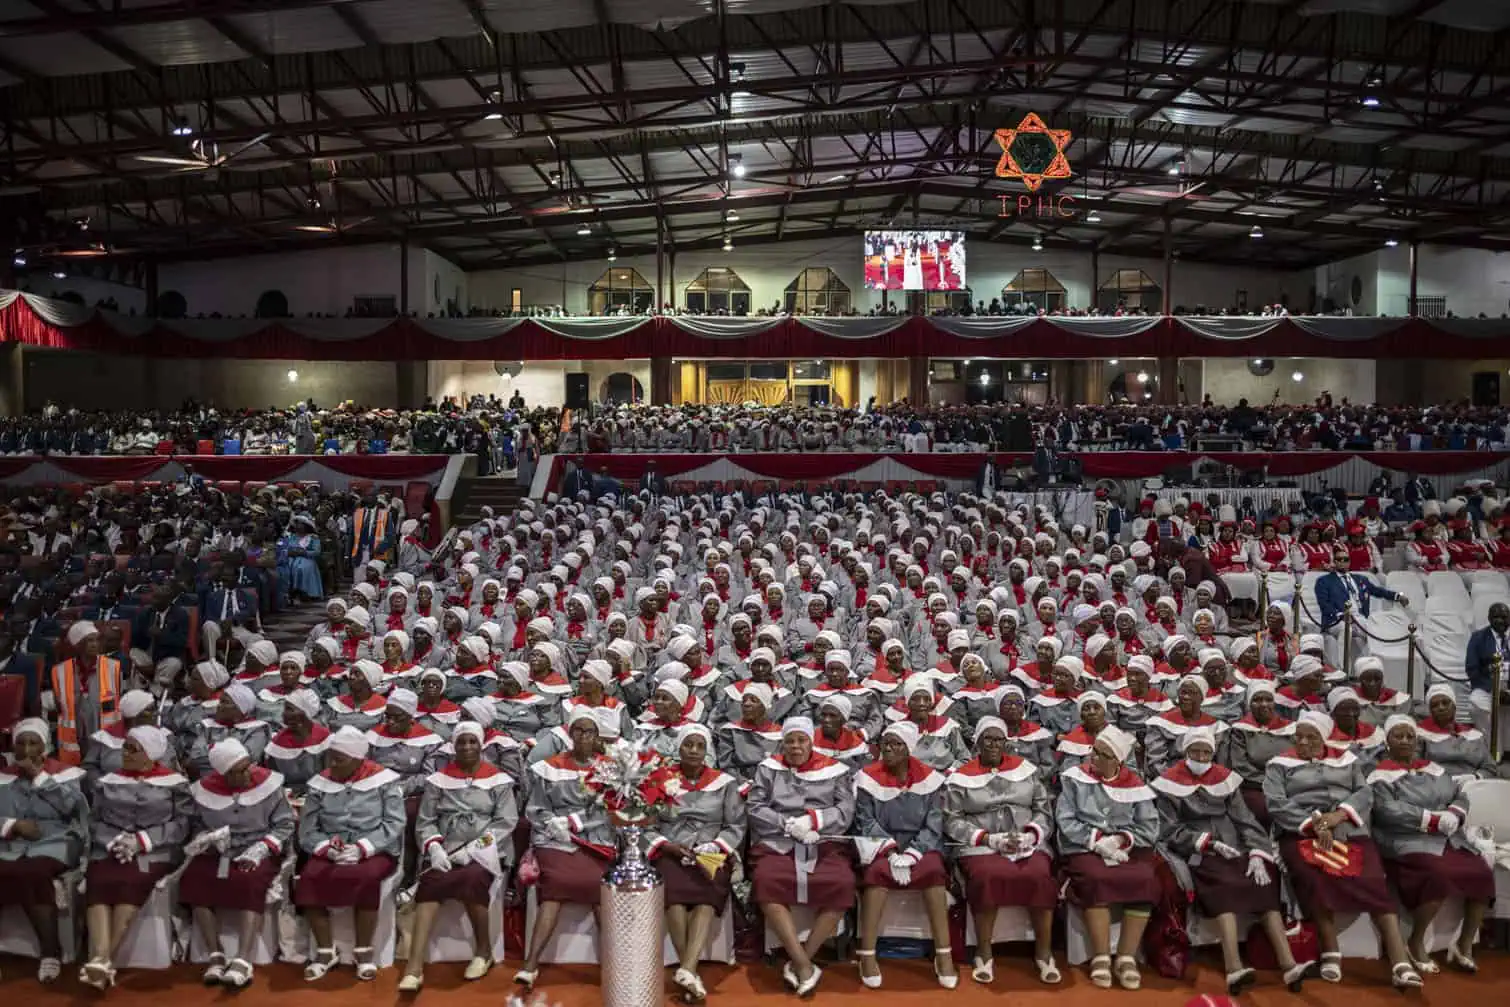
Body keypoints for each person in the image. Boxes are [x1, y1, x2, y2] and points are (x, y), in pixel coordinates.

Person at [1261, 711, 1421, 988]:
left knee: (1374, 881)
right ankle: (1330, 952)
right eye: (1299, 736)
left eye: (1311, 737)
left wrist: (1338, 816)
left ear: (1324, 739)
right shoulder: (1278, 765)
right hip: (1300, 831)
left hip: (1348, 829)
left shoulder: (1347, 760)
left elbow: (1363, 793)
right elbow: (1276, 803)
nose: (1303, 742)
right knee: (1314, 877)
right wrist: (1314, 824)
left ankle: (1399, 962)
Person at [1152, 726, 1311, 994]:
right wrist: (1206, 842)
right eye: (1195, 752)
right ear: (1185, 751)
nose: (1201, 757)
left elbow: (1244, 819)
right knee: (1224, 883)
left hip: (1233, 845)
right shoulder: (1169, 782)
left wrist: (1258, 852)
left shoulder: (1225, 779)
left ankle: (1288, 965)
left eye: (1206, 752)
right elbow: (1169, 830)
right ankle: (1233, 967)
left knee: (1263, 880)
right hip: (1199, 851)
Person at [1367, 716, 1494, 974]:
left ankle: (1464, 944)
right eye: (1398, 736)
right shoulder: (1379, 775)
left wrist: (1455, 814)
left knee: (1481, 871)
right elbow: (1386, 810)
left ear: (1417, 740)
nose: (1405, 741)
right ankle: (1415, 941)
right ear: (1387, 741)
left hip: (1445, 837)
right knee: (1437, 874)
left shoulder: (1434, 768)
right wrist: (1433, 819)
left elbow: (1460, 795)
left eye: (1409, 736)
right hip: (1403, 838)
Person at [400, 720, 518, 991]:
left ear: (481, 746)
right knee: (430, 884)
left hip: (486, 851)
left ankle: (483, 951)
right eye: (461, 742)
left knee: (472, 880)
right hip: (446, 849)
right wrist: (433, 846)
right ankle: (414, 967)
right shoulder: (438, 780)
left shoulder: (498, 780)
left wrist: (475, 848)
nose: (466, 747)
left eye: (472, 741)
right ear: (453, 746)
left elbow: (505, 822)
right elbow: (426, 820)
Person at [943, 715, 1058, 985]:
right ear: (978, 742)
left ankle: (1044, 951)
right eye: (988, 739)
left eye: (998, 739)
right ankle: (984, 951)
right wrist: (987, 839)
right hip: (981, 846)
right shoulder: (961, 777)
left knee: (1040, 876)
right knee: (987, 877)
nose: (993, 744)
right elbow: (951, 819)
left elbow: (1043, 810)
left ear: (1006, 743)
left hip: (1025, 843)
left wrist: (1031, 835)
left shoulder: (1027, 770)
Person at [746, 716, 855, 997]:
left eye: (801, 740)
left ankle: (802, 958)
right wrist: (785, 823)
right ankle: (804, 965)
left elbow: (845, 811)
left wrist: (814, 820)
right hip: (778, 840)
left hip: (821, 840)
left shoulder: (835, 771)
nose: (795, 746)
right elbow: (755, 807)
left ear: (811, 742)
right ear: (783, 742)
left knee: (842, 883)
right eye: (790, 741)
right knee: (766, 880)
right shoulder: (768, 769)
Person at [81, 725, 190, 990]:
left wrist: (143, 841)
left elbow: (183, 824)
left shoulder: (175, 783)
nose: (125, 752)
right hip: (112, 848)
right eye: (125, 747)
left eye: (132, 748)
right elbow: (94, 820)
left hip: (156, 850)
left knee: (130, 880)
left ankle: (107, 958)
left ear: (150, 753)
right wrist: (115, 841)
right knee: (99, 879)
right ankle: (100, 959)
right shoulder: (108, 781)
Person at [295, 725, 407, 983]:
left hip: (375, 849)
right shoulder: (320, 784)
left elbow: (394, 823)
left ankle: (363, 951)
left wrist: (362, 848)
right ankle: (325, 951)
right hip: (332, 848)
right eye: (330, 757)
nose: (333, 763)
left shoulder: (384, 780)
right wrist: (326, 850)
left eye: (340, 759)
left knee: (365, 877)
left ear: (358, 759)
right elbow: (307, 830)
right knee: (309, 875)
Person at [181, 738, 295, 989]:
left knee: (248, 880)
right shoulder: (201, 791)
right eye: (239, 771)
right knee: (195, 877)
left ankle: (243, 958)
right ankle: (216, 954)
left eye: (248, 766)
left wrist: (262, 848)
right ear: (223, 774)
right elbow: (197, 825)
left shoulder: (270, 784)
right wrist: (206, 839)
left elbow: (285, 824)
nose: (248, 773)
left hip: (261, 848)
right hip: (220, 850)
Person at [515, 708, 617, 989]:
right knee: (555, 887)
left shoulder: (609, 768)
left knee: (599, 889)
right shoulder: (548, 766)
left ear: (597, 736)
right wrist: (553, 824)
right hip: (555, 839)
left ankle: (615, 967)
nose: (583, 736)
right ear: (570, 734)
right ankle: (531, 966)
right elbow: (534, 808)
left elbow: (610, 810)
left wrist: (574, 822)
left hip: (595, 838)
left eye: (590, 731)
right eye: (578, 730)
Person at [852, 721, 956, 989]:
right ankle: (867, 954)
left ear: (909, 749)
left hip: (920, 846)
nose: (889, 749)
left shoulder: (930, 779)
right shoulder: (867, 777)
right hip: (880, 845)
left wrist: (911, 855)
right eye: (886, 743)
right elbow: (865, 820)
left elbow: (934, 824)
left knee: (934, 871)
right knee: (876, 874)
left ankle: (944, 954)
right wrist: (889, 851)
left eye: (897, 744)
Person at [645, 724, 745, 1002]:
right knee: (674, 897)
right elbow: (647, 823)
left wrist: (714, 846)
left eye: (700, 746)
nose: (693, 750)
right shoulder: (659, 779)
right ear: (679, 748)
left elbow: (736, 824)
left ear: (707, 751)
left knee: (706, 897)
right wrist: (668, 846)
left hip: (711, 850)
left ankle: (686, 969)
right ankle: (689, 972)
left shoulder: (724, 783)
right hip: (671, 849)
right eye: (688, 744)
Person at [1054, 725, 1159, 990]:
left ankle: (1125, 956)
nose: (1094, 758)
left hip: (1124, 848)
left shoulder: (1136, 785)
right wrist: (1097, 841)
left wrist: (1121, 839)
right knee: (1096, 875)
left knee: (1145, 878)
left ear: (1119, 761)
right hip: (1084, 846)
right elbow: (1065, 820)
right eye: (1094, 751)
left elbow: (1149, 827)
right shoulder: (1074, 778)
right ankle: (1100, 956)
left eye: (1103, 755)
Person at [0, 718, 89, 983]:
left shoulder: (66, 774)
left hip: (56, 840)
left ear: (45, 746)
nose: (27, 749)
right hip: (10, 843)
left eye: (33, 743)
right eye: (21, 743)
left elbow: (74, 810)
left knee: (35, 872)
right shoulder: (3, 777)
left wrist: (40, 778)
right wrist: (12, 825)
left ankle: (50, 951)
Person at [49, 620, 124, 767]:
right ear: (78, 645)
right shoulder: (59, 671)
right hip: (73, 734)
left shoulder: (113, 667)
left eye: (97, 640)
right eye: (89, 641)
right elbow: (59, 706)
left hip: (103, 731)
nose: (95, 644)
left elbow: (118, 700)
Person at [1464, 600, 1510, 734]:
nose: (1500, 621)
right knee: (1475, 703)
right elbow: (1472, 669)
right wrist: (1494, 690)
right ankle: (1490, 743)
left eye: (1504, 617)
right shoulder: (1478, 638)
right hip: (1487, 688)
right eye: (1496, 617)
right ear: (1489, 619)